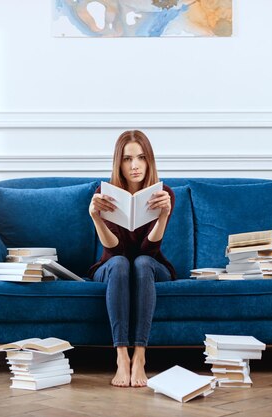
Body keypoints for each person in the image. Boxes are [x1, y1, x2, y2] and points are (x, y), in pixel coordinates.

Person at [88, 130, 176, 388]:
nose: (135, 165)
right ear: (119, 162)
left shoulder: (164, 193)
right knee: (121, 263)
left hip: (150, 265)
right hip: (113, 265)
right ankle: (121, 356)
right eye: (127, 159)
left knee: (141, 263)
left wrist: (162, 215)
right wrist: (95, 217)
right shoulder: (105, 192)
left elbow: (149, 251)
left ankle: (140, 356)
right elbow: (115, 252)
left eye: (141, 157)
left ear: (149, 161)